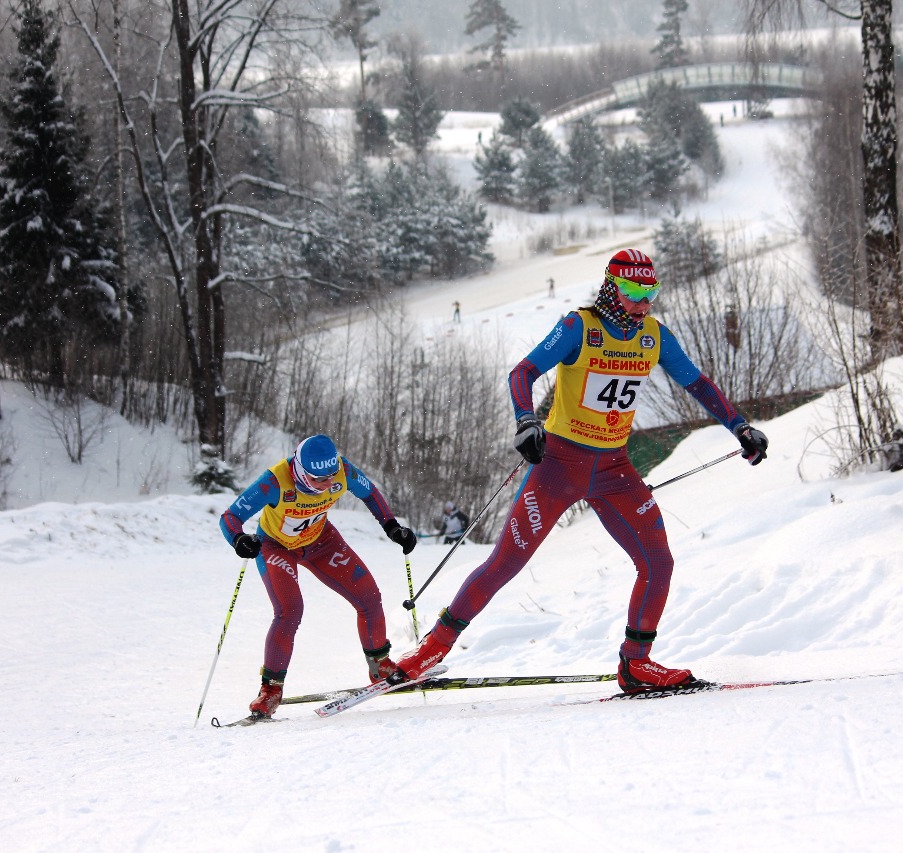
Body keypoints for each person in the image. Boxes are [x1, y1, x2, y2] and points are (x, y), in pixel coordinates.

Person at [394, 249, 768, 693]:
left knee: (658, 562)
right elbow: (523, 372)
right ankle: (428, 652)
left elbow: (698, 384)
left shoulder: (654, 336)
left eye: (650, 292)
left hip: (614, 468)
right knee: (504, 564)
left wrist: (739, 426)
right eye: (632, 292)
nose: (642, 302)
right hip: (558, 465)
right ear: (612, 288)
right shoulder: (580, 327)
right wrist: (526, 420)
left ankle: (636, 664)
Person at [219, 434, 418, 718]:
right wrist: (238, 539)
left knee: (369, 596)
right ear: (300, 471)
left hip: (321, 541)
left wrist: (391, 526)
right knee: (289, 611)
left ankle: (380, 665)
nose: (328, 485)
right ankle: (271, 690)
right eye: (318, 480)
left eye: (331, 477)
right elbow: (229, 517)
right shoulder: (274, 482)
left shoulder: (342, 471)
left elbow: (369, 492)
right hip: (277, 546)